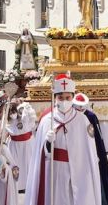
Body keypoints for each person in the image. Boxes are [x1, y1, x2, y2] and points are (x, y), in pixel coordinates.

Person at [24, 73, 101, 205]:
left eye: (67, 97)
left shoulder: (82, 120)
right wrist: (48, 142)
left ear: (72, 97)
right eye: (61, 97)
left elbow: (89, 151)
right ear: (55, 98)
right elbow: (40, 154)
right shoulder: (47, 120)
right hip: (54, 169)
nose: (64, 101)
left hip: (78, 169)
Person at [73, 93, 108, 205]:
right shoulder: (71, 115)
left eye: (82, 106)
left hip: (90, 152)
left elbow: (97, 137)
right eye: (78, 106)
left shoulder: (91, 116)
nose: (80, 108)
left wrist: (97, 154)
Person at [6, 100, 36, 193]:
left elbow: (32, 123)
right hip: (14, 144)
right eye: (11, 112)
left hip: (27, 144)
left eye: (14, 111)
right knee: (15, 164)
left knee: (27, 163)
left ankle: (28, 184)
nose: (12, 114)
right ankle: (16, 185)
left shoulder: (25, 114)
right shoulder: (7, 118)